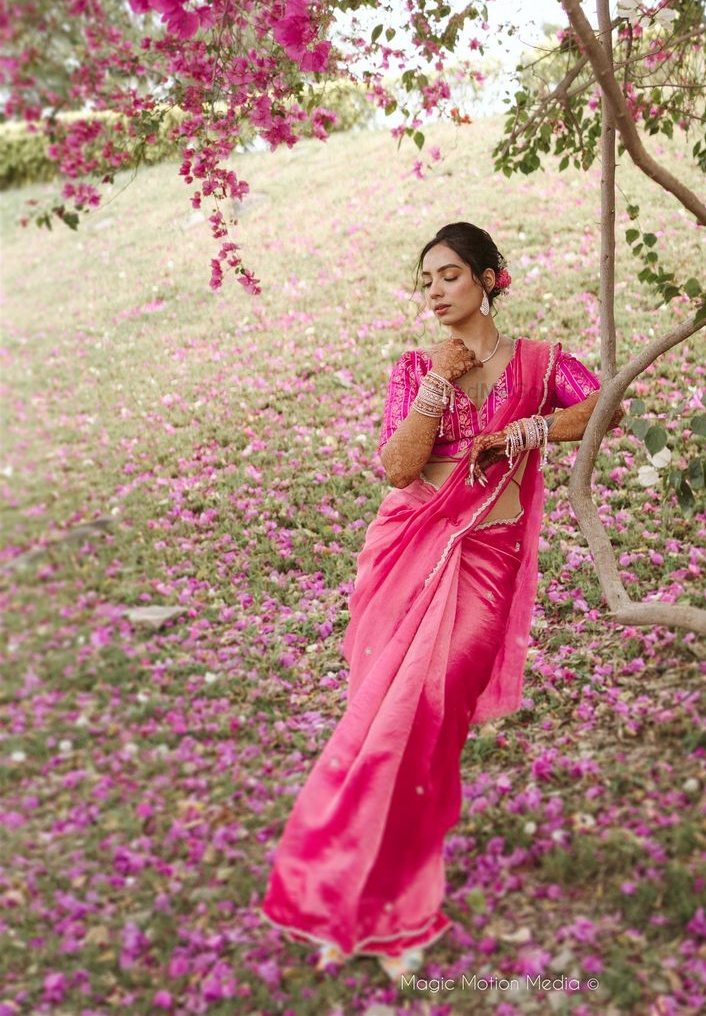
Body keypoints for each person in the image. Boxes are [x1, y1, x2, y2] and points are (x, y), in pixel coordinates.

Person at [259, 222, 623, 982]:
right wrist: (439, 382)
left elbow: (607, 407)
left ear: (491, 278)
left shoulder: (540, 361)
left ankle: (398, 911)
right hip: (410, 557)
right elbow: (397, 468)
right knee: (378, 732)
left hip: (486, 565)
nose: (434, 290)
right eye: (426, 280)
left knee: (430, 730)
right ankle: (340, 901)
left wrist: (529, 429)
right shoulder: (416, 368)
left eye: (450, 275)